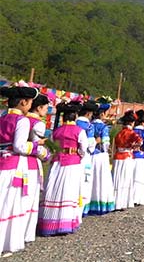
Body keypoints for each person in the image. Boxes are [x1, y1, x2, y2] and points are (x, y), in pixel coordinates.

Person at [1, 85, 48, 252]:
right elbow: (20, 146)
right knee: (10, 203)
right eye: (30, 103)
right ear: (23, 102)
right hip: (14, 165)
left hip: (2, 162)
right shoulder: (21, 121)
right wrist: (37, 147)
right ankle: (8, 241)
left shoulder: (2, 117)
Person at [38, 101, 87, 236]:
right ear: (75, 117)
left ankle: (50, 220)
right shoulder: (79, 131)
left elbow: (52, 147)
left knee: (54, 189)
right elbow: (83, 149)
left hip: (57, 162)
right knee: (68, 191)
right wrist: (78, 155)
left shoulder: (57, 131)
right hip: (72, 163)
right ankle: (65, 222)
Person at [25, 93, 52, 243]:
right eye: (46, 108)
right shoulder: (38, 123)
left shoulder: (20, 118)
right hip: (30, 161)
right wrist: (47, 155)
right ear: (39, 107)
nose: (47, 111)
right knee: (30, 196)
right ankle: (27, 232)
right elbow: (37, 146)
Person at [89, 98, 116, 214]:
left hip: (90, 155)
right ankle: (99, 203)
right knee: (100, 180)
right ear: (102, 113)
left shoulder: (89, 125)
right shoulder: (104, 127)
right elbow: (105, 144)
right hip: (100, 156)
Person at [112, 111, 143, 210]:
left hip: (118, 156)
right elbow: (140, 141)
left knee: (117, 179)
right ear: (132, 123)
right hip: (126, 157)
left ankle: (115, 201)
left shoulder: (119, 133)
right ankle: (123, 203)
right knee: (125, 179)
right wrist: (133, 146)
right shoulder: (131, 133)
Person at [75, 100, 98, 217]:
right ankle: (81, 209)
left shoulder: (74, 123)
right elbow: (90, 144)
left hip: (71, 156)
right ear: (89, 114)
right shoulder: (89, 126)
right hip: (84, 156)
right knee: (84, 181)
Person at [132, 110, 144, 205]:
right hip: (140, 155)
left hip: (131, 155)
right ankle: (138, 198)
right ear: (143, 122)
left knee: (131, 177)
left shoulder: (132, 131)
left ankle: (130, 198)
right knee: (139, 177)